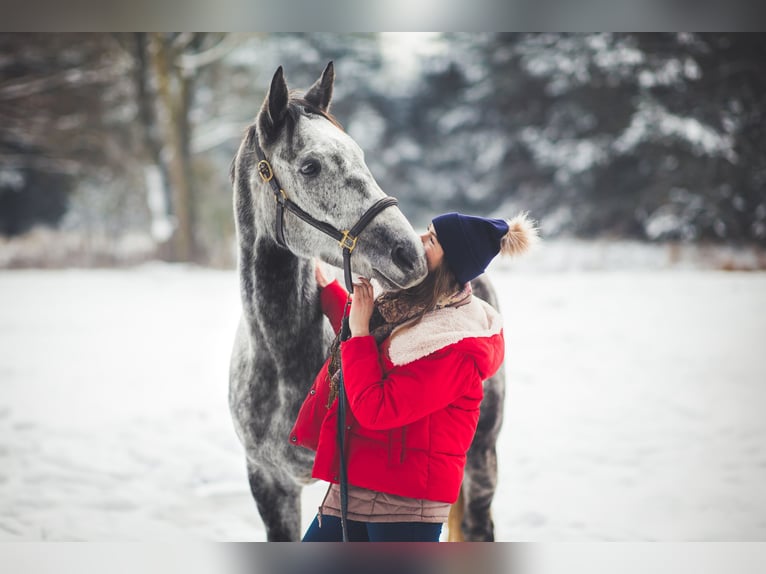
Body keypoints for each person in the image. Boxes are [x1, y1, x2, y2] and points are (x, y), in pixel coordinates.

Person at [289, 211, 538, 542]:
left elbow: (377, 407)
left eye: (431, 240)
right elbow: (380, 351)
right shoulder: (416, 305)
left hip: (406, 504)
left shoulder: (456, 345)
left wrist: (360, 331)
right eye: (426, 232)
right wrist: (334, 295)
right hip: (359, 481)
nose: (417, 240)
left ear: (451, 264)